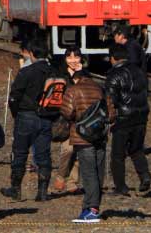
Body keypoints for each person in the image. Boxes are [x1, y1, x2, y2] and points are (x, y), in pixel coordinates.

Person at [1, 41, 55, 202]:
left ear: (31, 54)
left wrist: (16, 113)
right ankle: (43, 192)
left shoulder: (27, 71)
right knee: (43, 153)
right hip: (46, 116)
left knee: (20, 152)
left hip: (26, 115)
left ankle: (15, 189)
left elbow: (14, 95)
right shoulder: (54, 71)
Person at [59, 66, 106, 224]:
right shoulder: (101, 89)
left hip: (82, 137)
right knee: (99, 171)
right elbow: (111, 114)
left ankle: (92, 210)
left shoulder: (73, 90)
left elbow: (67, 112)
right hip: (100, 136)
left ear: (76, 78)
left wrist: (79, 117)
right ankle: (91, 207)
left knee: (88, 172)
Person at [105, 43, 151, 196]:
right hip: (141, 116)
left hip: (123, 118)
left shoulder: (114, 74)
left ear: (112, 58)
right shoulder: (139, 71)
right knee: (136, 149)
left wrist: (109, 119)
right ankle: (145, 176)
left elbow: (111, 100)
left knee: (117, 155)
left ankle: (121, 187)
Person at [53, 47, 84, 194]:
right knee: (68, 149)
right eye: (70, 57)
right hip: (65, 117)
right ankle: (61, 175)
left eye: (76, 57)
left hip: (81, 117)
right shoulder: (60, 74)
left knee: (78, 150)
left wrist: (80, 73)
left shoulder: (85, 74)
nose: (73, 60)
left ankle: (72, 182)